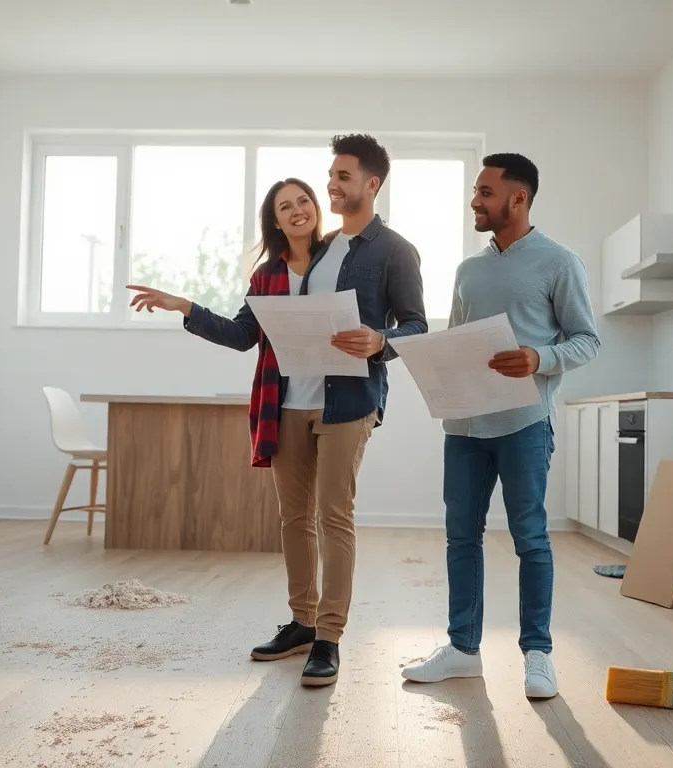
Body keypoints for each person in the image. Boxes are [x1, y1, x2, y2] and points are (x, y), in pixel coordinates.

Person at [126, 134, 426, 688]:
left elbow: (416, 327)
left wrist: (379, 341)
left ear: (370, 184)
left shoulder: (391, 250)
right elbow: (247, 334)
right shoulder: (313, 256)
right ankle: (302, 623)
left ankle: (330, 637)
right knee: (293, 519)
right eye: (323, 181)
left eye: (334, 182)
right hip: (285, 405)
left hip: (348, 403)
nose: (322, 193)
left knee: (334, 517)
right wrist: (185, 306)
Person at [400, 152, 599, 700]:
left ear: (519, 197)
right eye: (475, 191)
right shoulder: (468, 270)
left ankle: (538, 654)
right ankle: (463, 650)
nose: (474, 201)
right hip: (464, 428)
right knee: (460, 537)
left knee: (530, 538)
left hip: (525, 424)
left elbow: (587, 340)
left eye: (485, 193)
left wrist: (539, 358)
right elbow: (458, 346)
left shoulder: (560, 262)